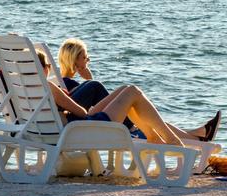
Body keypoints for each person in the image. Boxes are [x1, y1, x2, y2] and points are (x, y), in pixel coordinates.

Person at [57, 38, 220, 142]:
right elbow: (87, 111)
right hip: (121, 128)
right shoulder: (70, 85)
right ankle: (197, 135)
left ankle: (197, 134)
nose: (88, 60)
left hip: (110, 124)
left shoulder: (63, 85)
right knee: (149, 119)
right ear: (75, 60)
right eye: (85, 57)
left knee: (154, 121)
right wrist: (90, 80)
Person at [35, 50, 184, 145]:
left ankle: (153, 137)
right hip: (79, 129)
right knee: (132, 91)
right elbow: (82, 113)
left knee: (124, 89)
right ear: (42, 68)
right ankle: (168, 138)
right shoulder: (48, 87)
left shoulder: (20, 90)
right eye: (47, 65)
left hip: (61, 128)